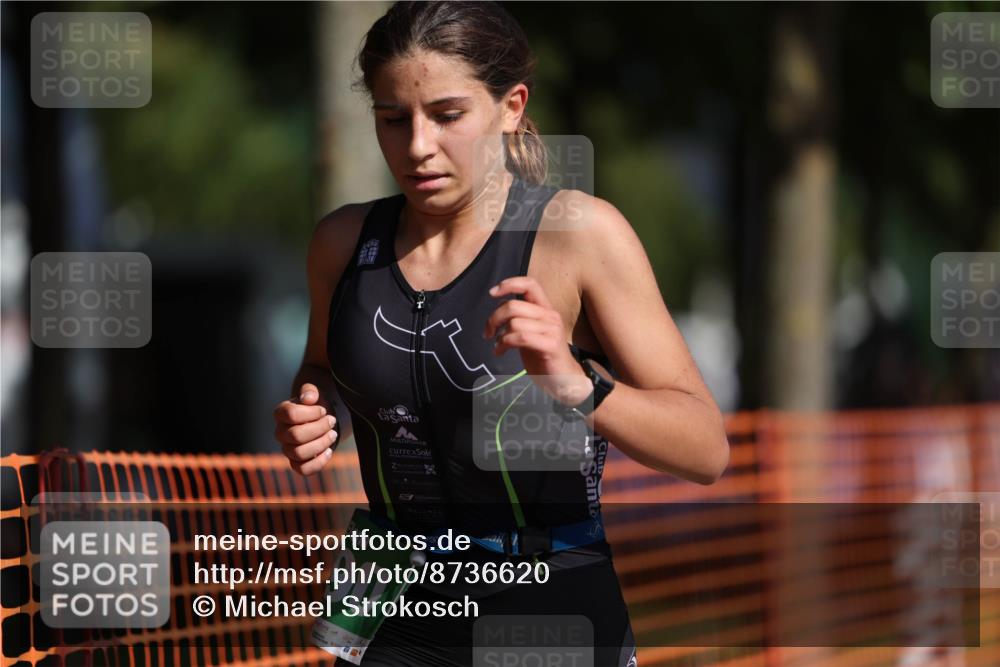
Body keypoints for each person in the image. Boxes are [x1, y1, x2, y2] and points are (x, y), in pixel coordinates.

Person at [273, 2, 730, 665]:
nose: (419, 145)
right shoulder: (342, 244)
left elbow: (706, 447)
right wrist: (312, 411)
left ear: (512, 107)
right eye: (393, 119)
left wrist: (579, 385)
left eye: (448, 116)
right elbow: (321, 370)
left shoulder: (579, 236)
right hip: (384, 595)